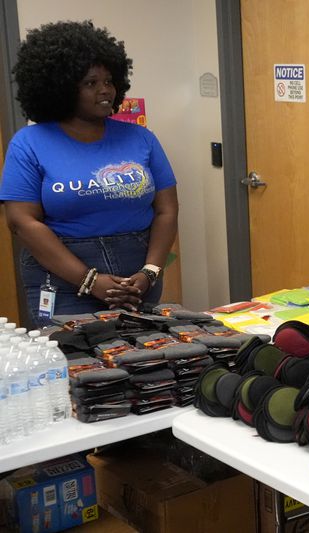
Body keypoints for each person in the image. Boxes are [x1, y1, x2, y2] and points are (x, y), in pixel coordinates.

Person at [0, 21, 178, 326]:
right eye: (90, 83)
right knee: (78, 368)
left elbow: (166, 210)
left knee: (146, 362)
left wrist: (150, 272)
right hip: (63, 279)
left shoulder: (141, 138)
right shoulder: (29, 143)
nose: (105, 90)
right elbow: (22, 221)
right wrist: (89, 280)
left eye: (109, 80)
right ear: (61, 86)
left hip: (137, 279)